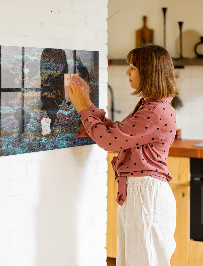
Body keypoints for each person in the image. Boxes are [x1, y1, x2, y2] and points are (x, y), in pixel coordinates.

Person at [66, 44, 178, 266]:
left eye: (133, 67)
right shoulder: (151, 106)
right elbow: (117, 133)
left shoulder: (155, 111)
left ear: (149, 72)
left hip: (146, 195)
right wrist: (87, 103)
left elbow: (109, 141)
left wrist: (81, 108)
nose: (127, 72)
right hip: (141, 193)